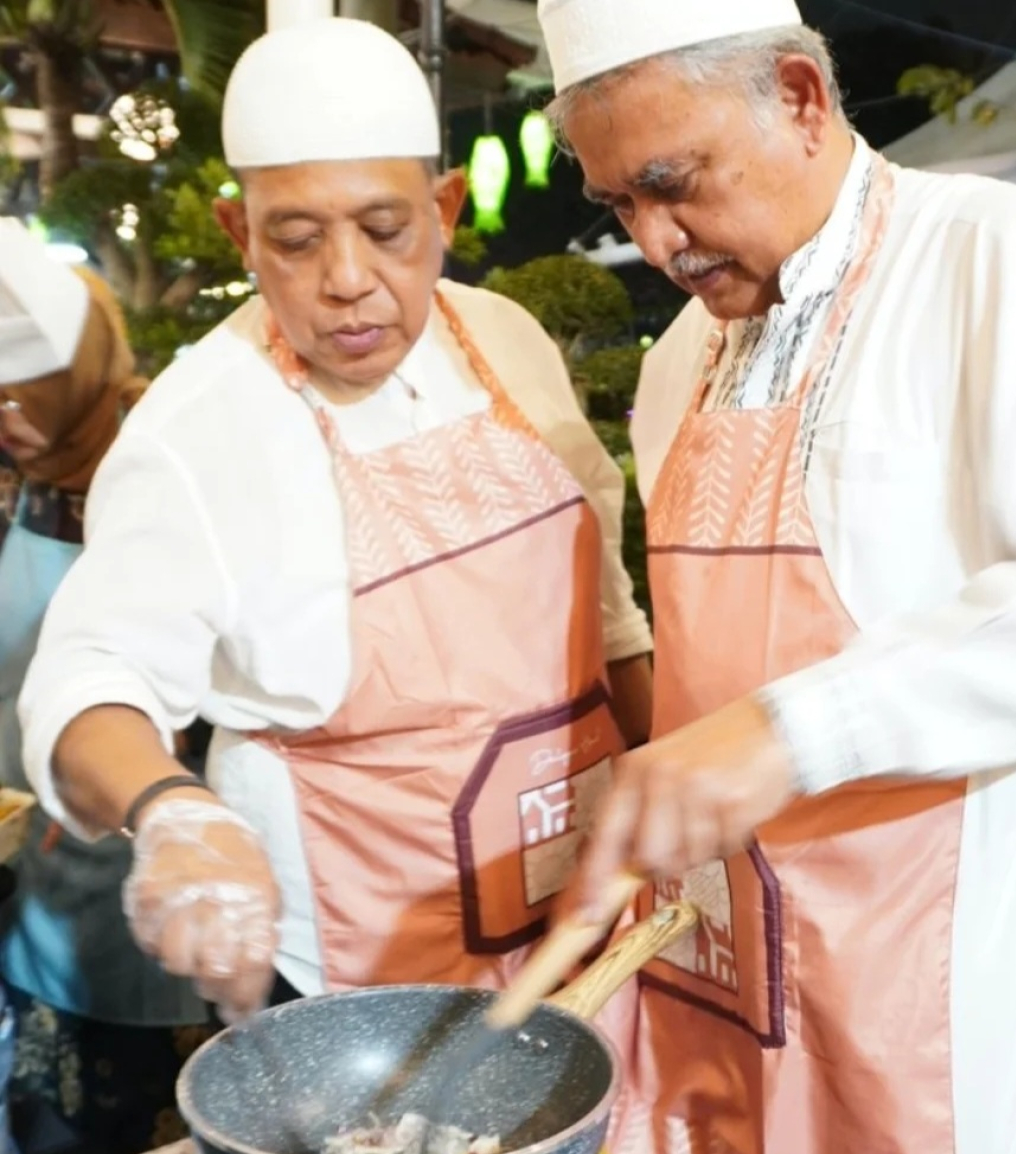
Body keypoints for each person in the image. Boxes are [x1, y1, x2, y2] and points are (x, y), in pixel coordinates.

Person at [535, 1, 1016, 1154]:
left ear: (801, 98)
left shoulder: (997, 257)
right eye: (618, 204)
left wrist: (792, 730)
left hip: (973, 1022)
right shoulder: (675, 364)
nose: (657, 242)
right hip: (750, 994)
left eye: (674, 182)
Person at [18, 16, 653, 1025]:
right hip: (353, 963)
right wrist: (172, 810)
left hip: (579, 911)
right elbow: (88, 682)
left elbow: (610, 622)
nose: (347, 278)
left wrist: (666, 791)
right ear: (240, 233)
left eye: (386, 229)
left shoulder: (507, 339)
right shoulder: (197, 431)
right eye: (296, 239)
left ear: (442, 210)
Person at [0, 222, 213, 1154]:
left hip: (157, 897)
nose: (5, 413)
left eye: (21, 389)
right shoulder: (28, 487)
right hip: (37, 897)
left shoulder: (167, 472)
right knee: (57, 1151)